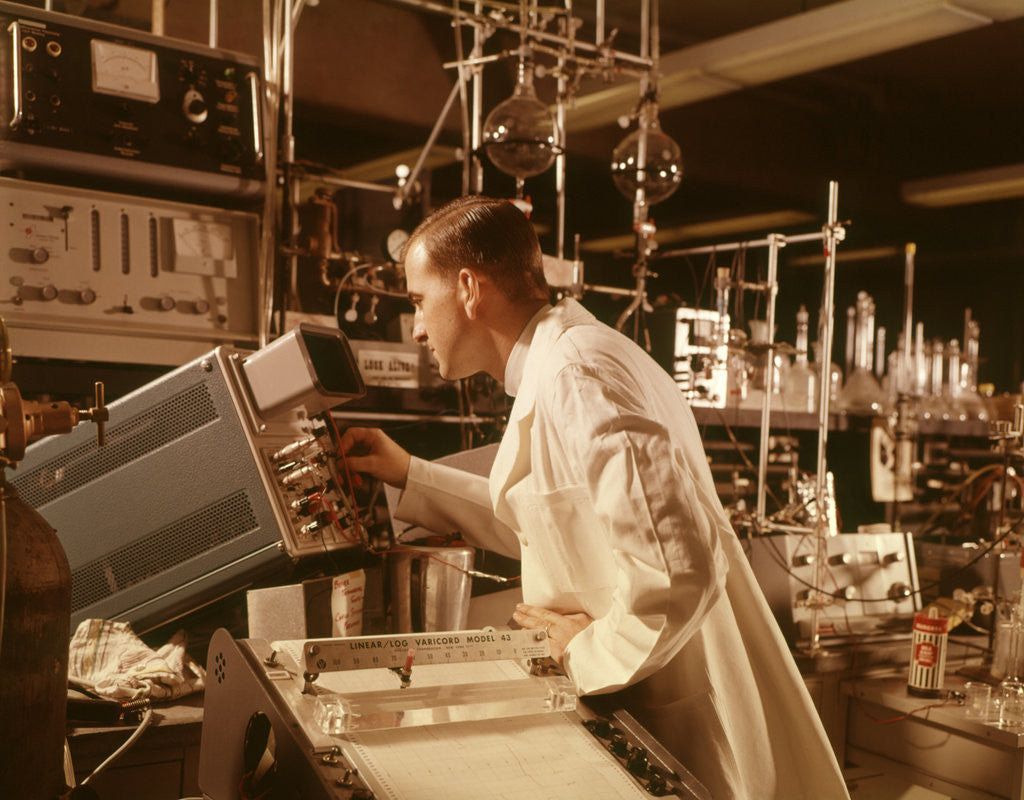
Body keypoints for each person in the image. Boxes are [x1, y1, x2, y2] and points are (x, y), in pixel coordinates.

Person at [340, 195, 850, 800]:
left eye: (419, 301)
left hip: (669, 713)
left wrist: (582, 654)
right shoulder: (563, 361)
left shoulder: (578, 371)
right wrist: (408, 473)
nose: (418, 327)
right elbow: (550, 523)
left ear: (470, 289)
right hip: (639, 701)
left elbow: (678, 569)